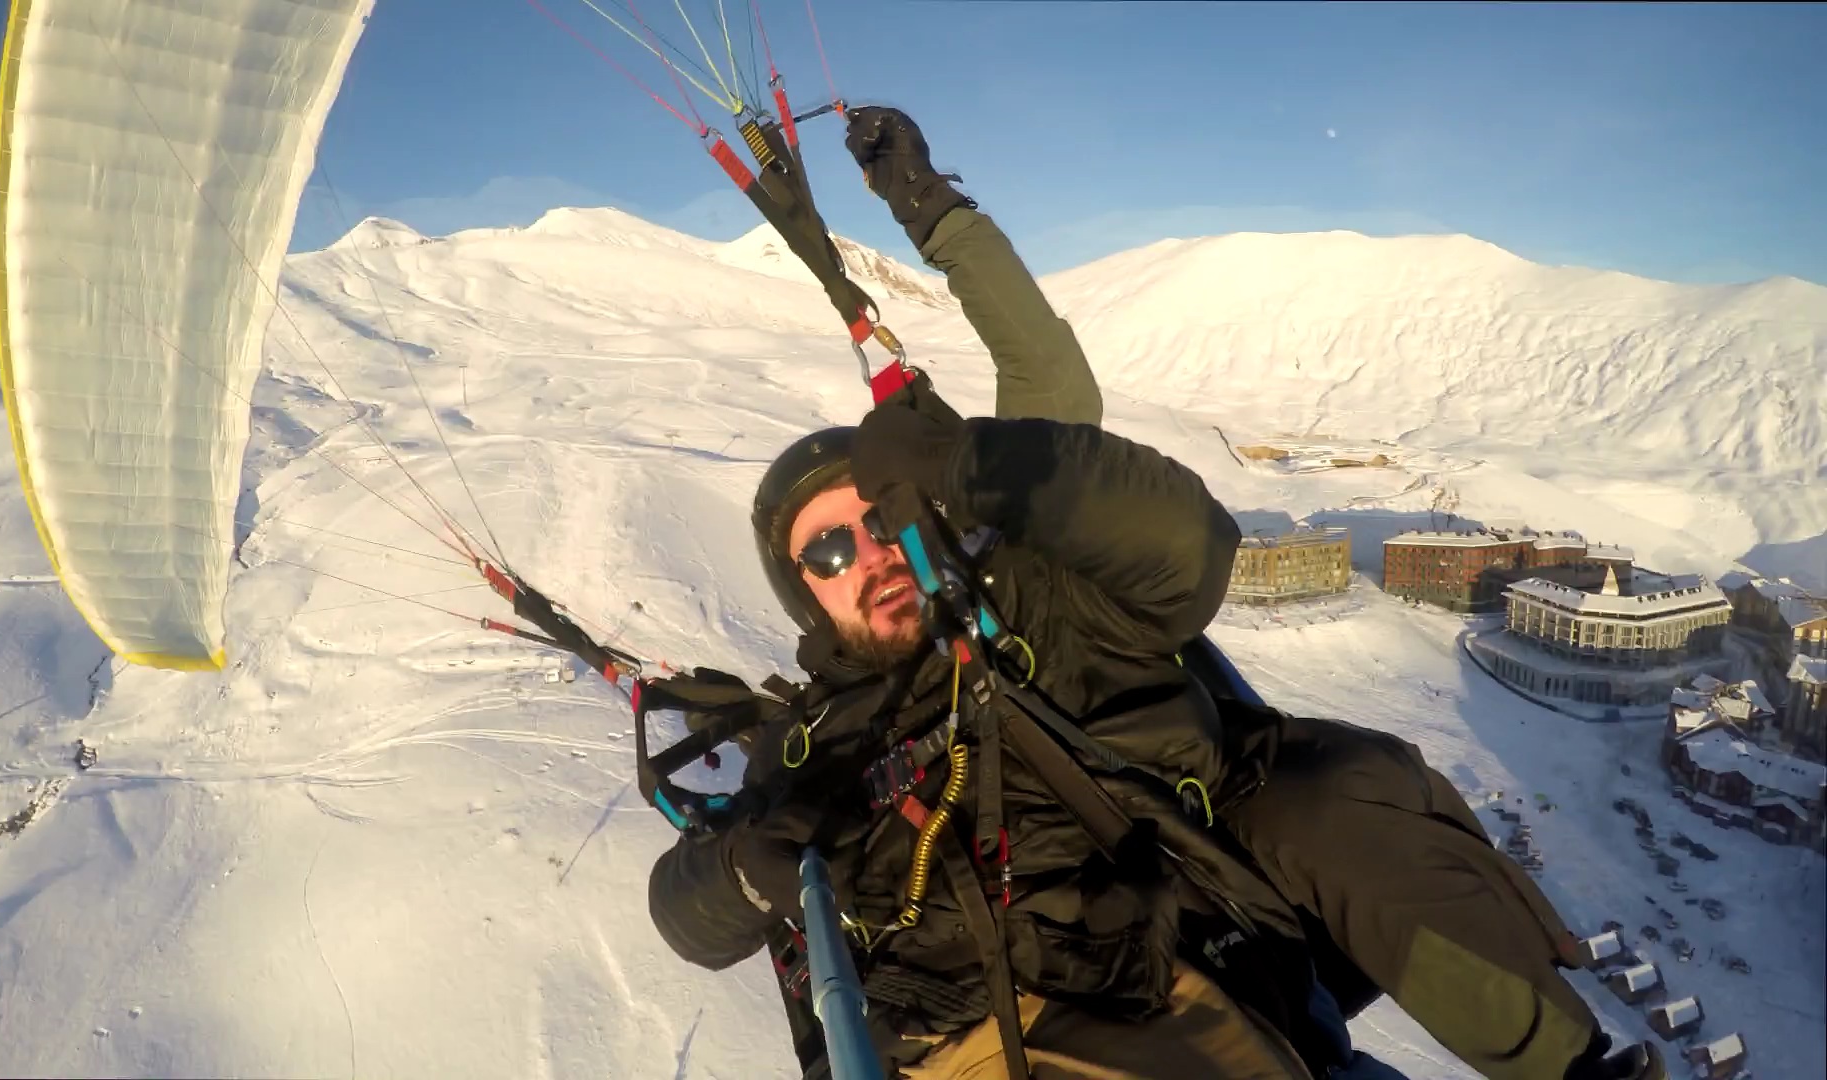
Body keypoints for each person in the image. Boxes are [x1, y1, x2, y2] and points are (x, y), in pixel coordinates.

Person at [648, 105, 1660, 1080]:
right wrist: (736, 873)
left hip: (1156, 977)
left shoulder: (1030, 596)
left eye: (878, 524)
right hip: (956, 1035)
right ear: (801, 596)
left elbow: (1127, 488)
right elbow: (683, 913)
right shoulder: (815, 739)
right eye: (827, 556)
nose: (866, 559)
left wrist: (937, 230)